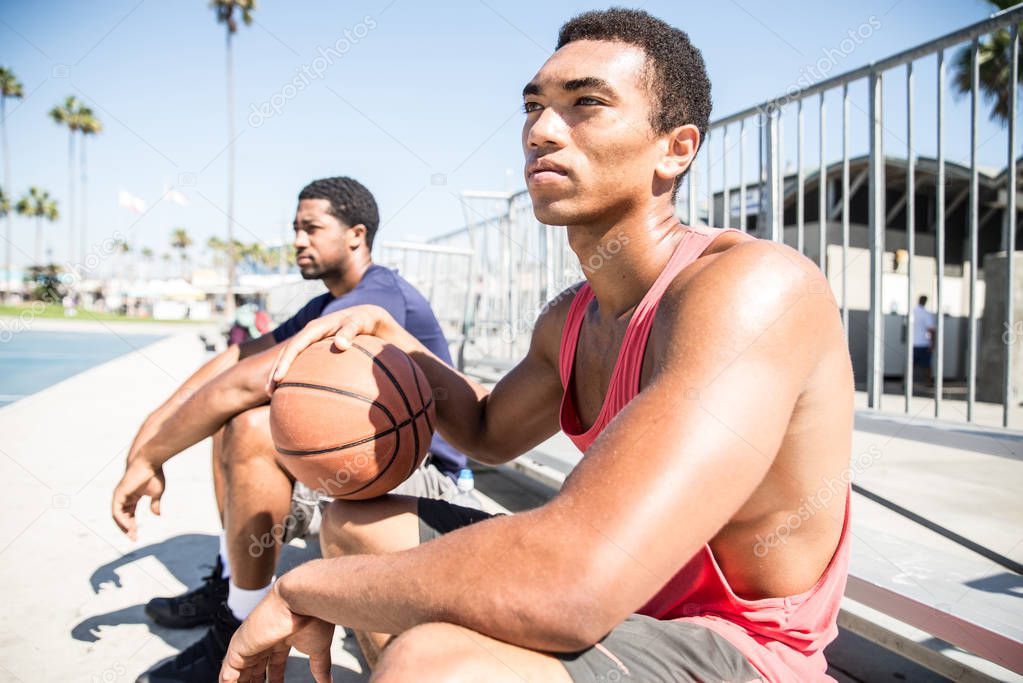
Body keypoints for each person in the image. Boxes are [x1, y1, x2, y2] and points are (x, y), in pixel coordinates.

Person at [221, 9, 855, 683]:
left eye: (585, 103)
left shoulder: (754, 287)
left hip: (732, 647)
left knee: (433, 665)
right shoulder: (570, 317)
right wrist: (391, 337)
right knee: (358, 525)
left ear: (675, 148)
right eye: (533, 105)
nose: (540, 131)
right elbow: (488, 433)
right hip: (619, 606)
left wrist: (301, 588)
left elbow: (570, 581)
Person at [110, 177, 468, 683]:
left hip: (418, 475)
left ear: (355, 235)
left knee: (253, 422)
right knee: (230, 424)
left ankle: (239, 630)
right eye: (294, 228)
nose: (297, 239)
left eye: (310, 228)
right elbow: (238, 356)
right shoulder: (330, 299)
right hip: (360, 466)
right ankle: (233, 586)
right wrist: (148, 435)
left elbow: (251, 381)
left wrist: (151, 457)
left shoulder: (376, 296)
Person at [912, 294, 936, 386]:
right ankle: (928, 382)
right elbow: (931, 330)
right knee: (926, 365)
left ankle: (906, 382)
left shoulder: (912, 312)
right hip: (923, 343)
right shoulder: (926, 314)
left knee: (911, 364)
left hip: (913, 343)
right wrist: (932, 343)